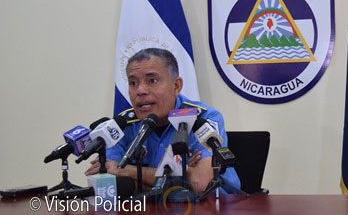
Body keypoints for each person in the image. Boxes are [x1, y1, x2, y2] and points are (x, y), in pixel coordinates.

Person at [85, 47, 240, 193]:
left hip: (212, 208)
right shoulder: (123, 124)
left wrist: (128, 171)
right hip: (145, 209)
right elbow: (109, 182)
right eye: (133, 83)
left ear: (176, 86)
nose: (140, 90)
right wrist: (182, 174)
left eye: (152, 80)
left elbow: (200, 182)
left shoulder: (202, 119)